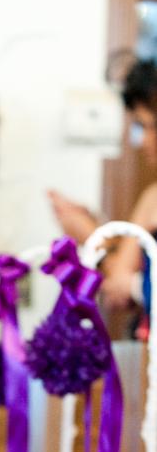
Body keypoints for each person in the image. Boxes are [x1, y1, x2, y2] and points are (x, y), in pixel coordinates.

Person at [49, 57, 157, 318]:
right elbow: (121, 282)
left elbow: (120, 288)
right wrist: (96, 229)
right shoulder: (152, 196)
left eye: (147, 125)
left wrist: (89, 234)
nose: (142, 140)